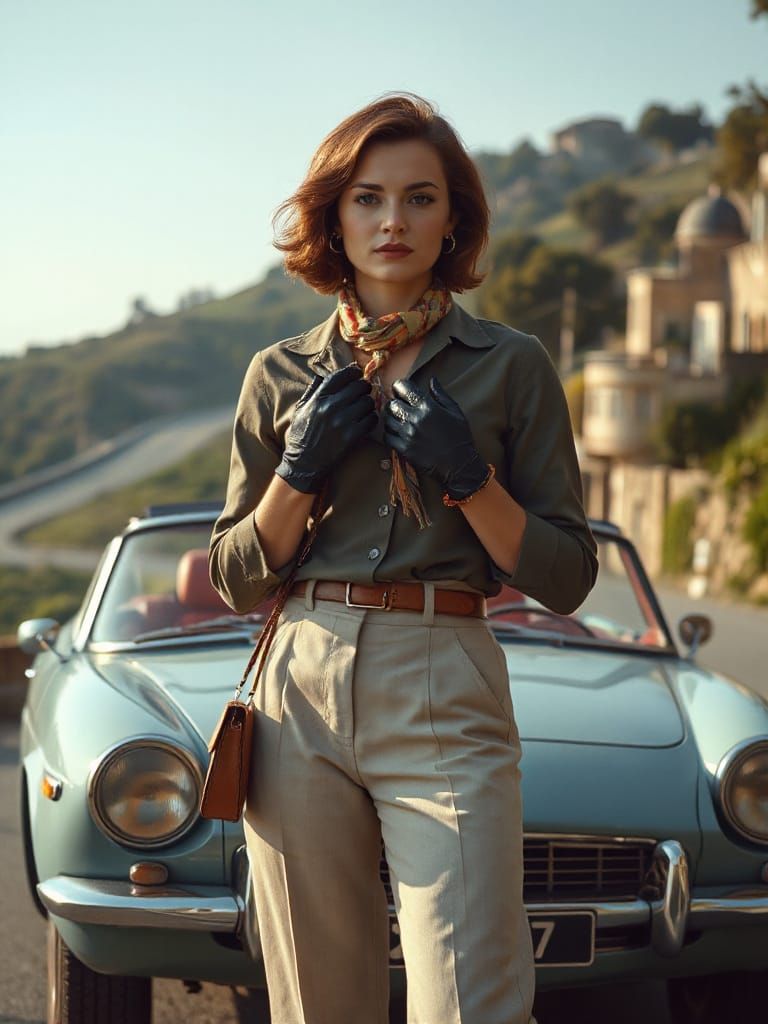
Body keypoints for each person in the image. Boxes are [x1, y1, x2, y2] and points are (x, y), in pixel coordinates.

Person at [209, 92, 598, 1024]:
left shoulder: (512, 366)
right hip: (298, 682)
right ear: (333, 217)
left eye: (421, 198)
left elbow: (565, 577)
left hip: (445, 674)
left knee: (473, 995)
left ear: (453, 217)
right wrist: (298, 471)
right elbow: (234, 575)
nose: (394, 222)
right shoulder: (279, 374)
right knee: (316, 999)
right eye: (368, 198)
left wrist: (470, 479)